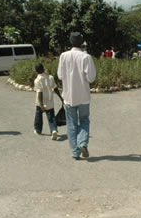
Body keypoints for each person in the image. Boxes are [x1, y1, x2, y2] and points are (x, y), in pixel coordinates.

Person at [57, 31, 96, 160]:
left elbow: (60, 76)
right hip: (83, 96)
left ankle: (75, 152)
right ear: (82, 42)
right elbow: (91, 78)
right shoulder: (86, 57)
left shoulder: (63, 56)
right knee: (84, 120)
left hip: (68, 96)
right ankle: (82, 143)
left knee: (71, 124)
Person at [33, 63, 62, 140]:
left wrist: (41, 104)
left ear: (36, 71)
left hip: (41, 101)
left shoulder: (37, 80)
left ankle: (38, 130)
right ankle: (54, 130)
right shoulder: (51, 77)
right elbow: (55, 88)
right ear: (43, 68)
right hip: (49, 100)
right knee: (51, 117)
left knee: (38, 116)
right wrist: (61, 98)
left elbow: (39, 92)